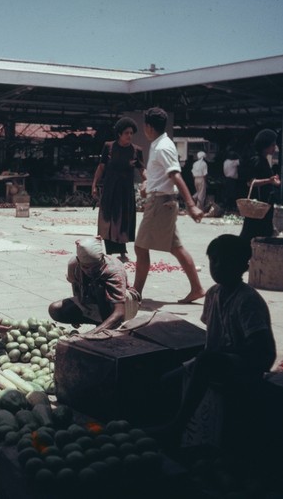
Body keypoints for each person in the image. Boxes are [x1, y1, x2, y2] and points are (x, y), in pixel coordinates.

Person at [150, 235, 276, 447]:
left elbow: (262, 350)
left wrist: (217, 356)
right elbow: (213, 336)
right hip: (220, 359)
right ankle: (171, 427)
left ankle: (177, 425)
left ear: (243, 266)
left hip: (249, 363)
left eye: (226, 262)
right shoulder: (213, 294)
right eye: (214, 260)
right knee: (167, 380)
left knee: (207, 361)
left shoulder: (247, 300)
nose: (218, 266)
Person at [133, 107, 205, 303]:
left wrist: (191, 205)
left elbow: (175, 175)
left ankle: (135, 293)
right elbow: (164, 175)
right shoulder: (160, 144)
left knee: (140, 247)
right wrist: (149, 185)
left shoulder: (162, 146)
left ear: (148, 126)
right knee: (176, 247)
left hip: (160, 203)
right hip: (160, 200)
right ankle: (197, 288)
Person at [48, 236, 141, 335]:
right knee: (55, 309)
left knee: (99, 286)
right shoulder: (74, 265)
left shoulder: (114, 270)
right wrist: (77, 311)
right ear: (79, 261)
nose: (91, 270)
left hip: (124, 304)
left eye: (96, 266)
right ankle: (102, 324)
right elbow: (76, 286)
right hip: (94, 300)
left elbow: (119, 313)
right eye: (86, 267)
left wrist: (89, 335)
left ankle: (107, 326)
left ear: (102, 259)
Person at [92, 117, 146, 261]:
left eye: (131, 133)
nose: (129, 136)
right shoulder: (109, 147)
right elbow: (101, 167)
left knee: (122, 221)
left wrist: (150, 183)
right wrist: (94, 185)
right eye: (126, 133)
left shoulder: (136, 151)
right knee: (108, 220)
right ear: (119, 134)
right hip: (110, 190)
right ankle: (109, 252)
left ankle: (123, 252)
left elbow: (142, 171)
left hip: (125, 193)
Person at [239, 129, 281, 242]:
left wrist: (273, 182)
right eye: (272, 145)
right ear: (265, 146)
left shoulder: (264, 160)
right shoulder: (257, 160)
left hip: (264, 204)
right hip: (257, 205)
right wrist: (269, 180)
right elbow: (251, 182)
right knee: (253, 233)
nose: (275, 148)